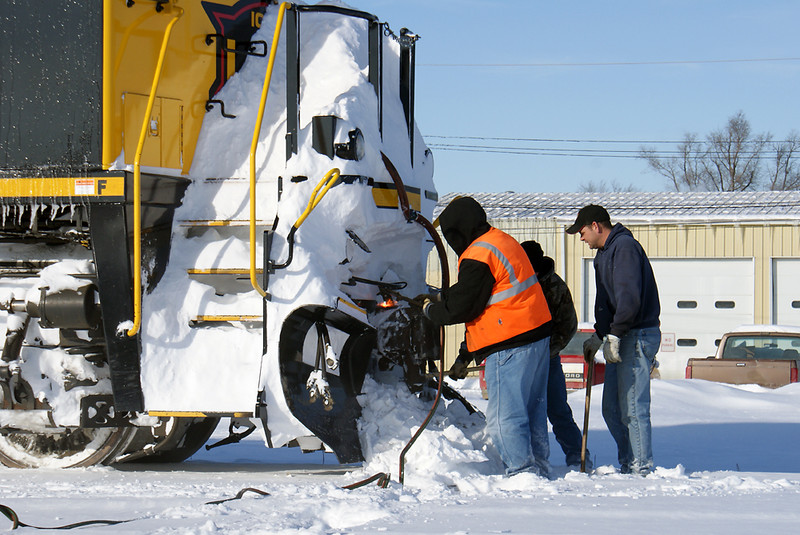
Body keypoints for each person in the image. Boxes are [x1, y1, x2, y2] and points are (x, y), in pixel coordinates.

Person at [422, 196, 553, 477]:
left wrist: (431, 310)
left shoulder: (477, 254)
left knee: (503, 417)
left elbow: (466, 305)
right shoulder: (499, 241)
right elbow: (487, 297)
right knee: (532, 411)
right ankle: (539, 467)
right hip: (536, 337)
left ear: (457, 231)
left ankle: (522, 473)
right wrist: (465, 351)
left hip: (511, 344)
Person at [566, 204, 661, 476]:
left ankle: (640, 467)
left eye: (582, 231)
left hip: (638, 334)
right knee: (611, 408)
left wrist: (615, 334)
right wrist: (599, 334)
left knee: (633, 406)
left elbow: (629, 299)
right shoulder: (603, 255)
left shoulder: (625, 248)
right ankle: (628, 461)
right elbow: (606, 303)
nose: (581, 237)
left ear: (596, 226)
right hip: (621, 334)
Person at [520, 240, 589, 469]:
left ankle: (579, 459)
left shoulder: (554, 286)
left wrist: (546, 351)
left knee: (558, 410)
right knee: (520, 412)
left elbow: (568, 325)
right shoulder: (514, 283)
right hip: (519, 360)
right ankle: (524, 460)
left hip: (548, 359)